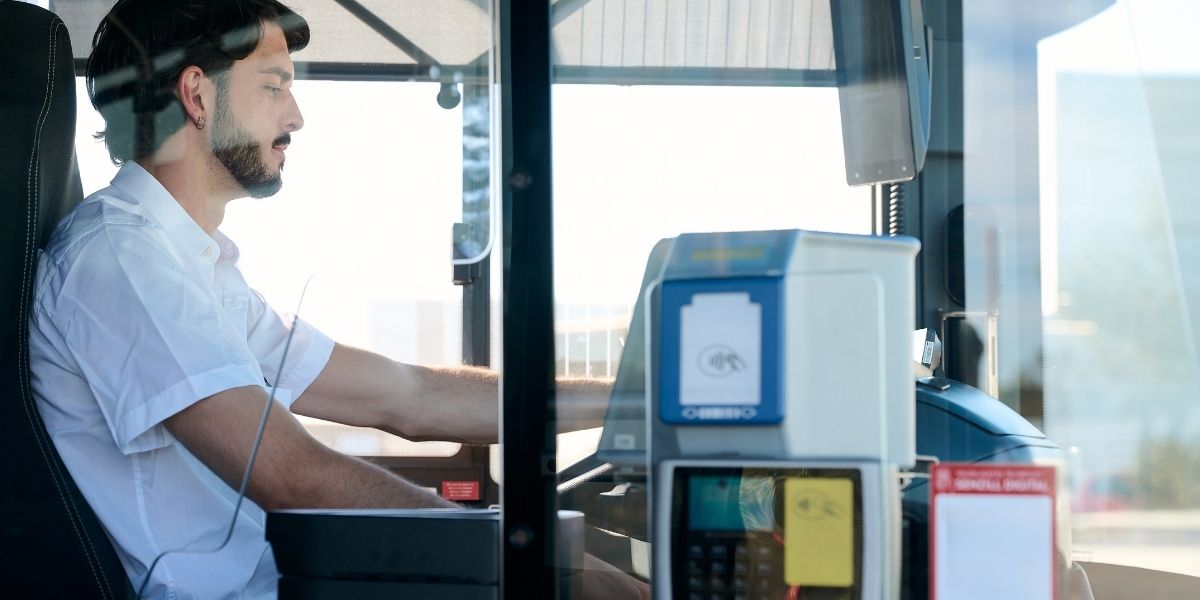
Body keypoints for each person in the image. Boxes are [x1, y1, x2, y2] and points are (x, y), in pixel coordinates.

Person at [28, 1, 644, 598]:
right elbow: (298, 477)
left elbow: (409, 396)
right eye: (274, 86)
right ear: (198, 95)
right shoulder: (121, 259)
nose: (296, 116)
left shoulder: (193, 269)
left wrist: (635, 404)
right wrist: (534, 561)